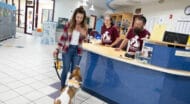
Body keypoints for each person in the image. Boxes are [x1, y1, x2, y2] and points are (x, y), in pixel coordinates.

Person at [53, 6, 87, 88]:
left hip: (77, 51)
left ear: (83, 18)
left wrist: (83, 32)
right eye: (78, 17)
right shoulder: (69, 24)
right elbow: (63, 37)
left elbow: (84, 39)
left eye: (81, 18)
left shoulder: (84, 27)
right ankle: (62, 88)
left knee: (73, 72)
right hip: (67, 49)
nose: (79, 19)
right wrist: (57, 48)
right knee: (66, 69)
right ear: (75, 16)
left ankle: (69, 90)